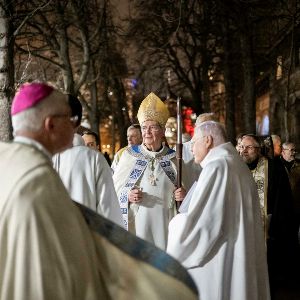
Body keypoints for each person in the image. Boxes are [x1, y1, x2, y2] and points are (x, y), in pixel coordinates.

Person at [0, 82, 199, 300]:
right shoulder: (40, 180)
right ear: (50, 124)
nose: (76, 127)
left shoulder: (7, 161)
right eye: (70, 119)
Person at [167, 121, 270, 300]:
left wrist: (176, 223)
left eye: (194, 141)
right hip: (237, 256)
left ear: (207, 140)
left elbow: (202, 227)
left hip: (221, 261)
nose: (191, 148)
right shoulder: (235, 164)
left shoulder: (217, 167)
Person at [113, 92, 187, 250]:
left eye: (152, 127)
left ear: (162, 130)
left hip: (166, 225)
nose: (146, 132)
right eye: (144, 127)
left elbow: (188, 195)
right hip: (138, 226)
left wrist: (183, 195)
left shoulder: (174, 159)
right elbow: (114, 189)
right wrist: (127, 195)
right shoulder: (129, 156)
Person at [240, 134, 299, 298]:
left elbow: (283, 202)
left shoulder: (274, 168)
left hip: (268, 232)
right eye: (241, 147)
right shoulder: (235, 168)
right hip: (241, 228)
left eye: (249, 147)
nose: (244, 151)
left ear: (258, 150)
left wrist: (272, 221)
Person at [53, 96, 123, 227]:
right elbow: (108, 211)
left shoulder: (38, 155)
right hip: (84, 239)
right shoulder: (94, 159)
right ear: (78, 122)